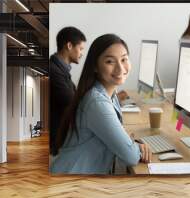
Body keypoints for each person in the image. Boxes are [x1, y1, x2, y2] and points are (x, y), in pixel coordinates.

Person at [50, 34, 151, 174]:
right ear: (95, 66)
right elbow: (131, 157)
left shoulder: (109, 94)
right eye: (110, 61)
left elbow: (117, 133)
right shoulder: (96, 102)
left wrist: (132, 144)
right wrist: (136, 147)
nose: (120, 68)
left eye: (124, 59)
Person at [49, 27, 86, 155]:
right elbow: (74, 102)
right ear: (69, 45)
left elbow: (77, 96)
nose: (82, 53)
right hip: (59, 140)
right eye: (80, 49)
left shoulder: (62, 70)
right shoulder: (54, 72)